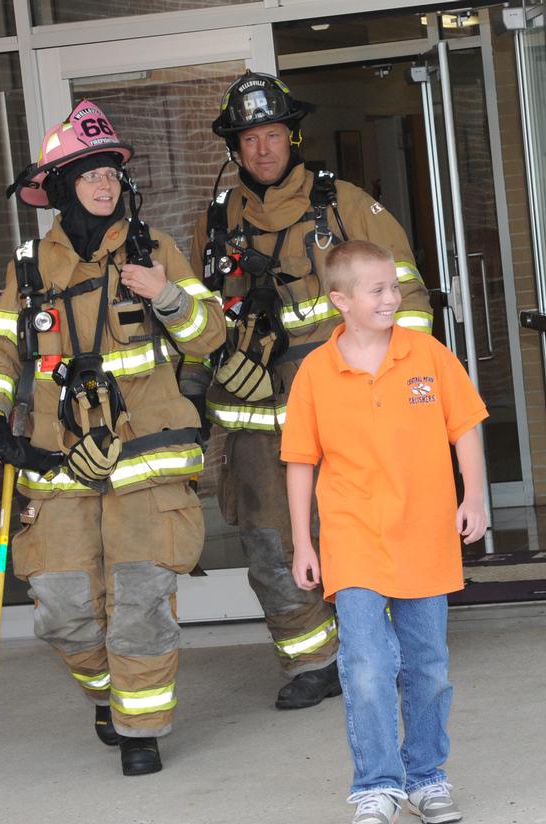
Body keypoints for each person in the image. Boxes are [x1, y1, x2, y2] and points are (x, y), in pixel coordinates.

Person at [0, 100, 226, 776]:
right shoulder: (29, 267)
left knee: (140, 605)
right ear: (59, 188)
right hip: (59, 465)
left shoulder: (156, 249)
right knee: (62, 611)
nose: (104, 184)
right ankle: (106, 691)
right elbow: (1, 348)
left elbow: (210, 335)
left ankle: (140, 732)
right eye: (88, 173)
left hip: (146, 463)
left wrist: (167, 295)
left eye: (111, 171)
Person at [188, 71, 433, 710]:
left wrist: (400, 382)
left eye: (272, 134)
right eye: (248, 139)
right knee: (273, 545)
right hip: (257, 417)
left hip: (348, 411)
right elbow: (198, 319)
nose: (262, 149)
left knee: (366, 533)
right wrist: (196, 389)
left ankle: (384, 651)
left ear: (291, 136)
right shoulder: (216, 223)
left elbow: (403, 294)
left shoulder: (344, 205)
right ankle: (313, 662)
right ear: (233, 149)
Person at [281, 240, 488, 824]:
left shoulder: (426, 354)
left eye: (395, 286)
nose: (393, 297)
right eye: (378, 290)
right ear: (340, 299)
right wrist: (304, 542)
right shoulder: (316, 373)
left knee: (428, 665)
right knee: (368, 664)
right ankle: (376, 784)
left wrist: (473, 496)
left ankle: (426, 777)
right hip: (352, 537)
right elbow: (300, 462)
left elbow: (466, 425)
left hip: (425, 532)